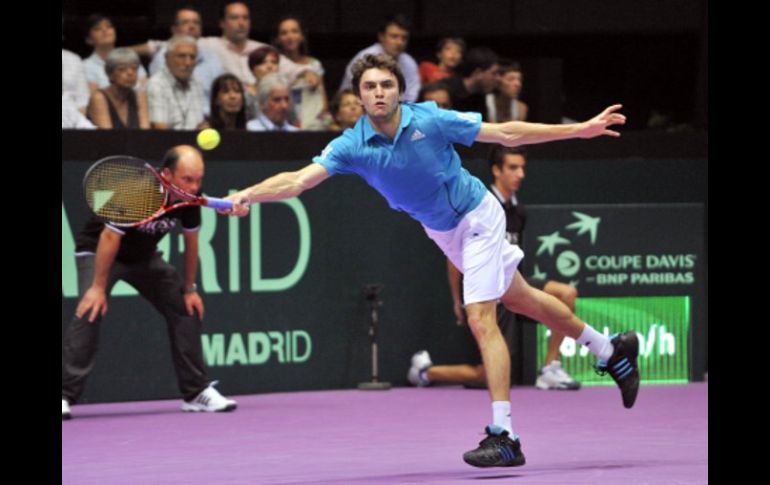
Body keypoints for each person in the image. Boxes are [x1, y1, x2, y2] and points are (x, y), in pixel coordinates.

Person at [219, 54, 638, 468]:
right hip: (443, 232)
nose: (378, 92)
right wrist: (248, 194)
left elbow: (507, 133)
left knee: (481, 318)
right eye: (369, 87)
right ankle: (610, 349)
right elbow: (296, 181)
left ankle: (505, 435)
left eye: (386, 85)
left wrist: (579, 130)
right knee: (521, 298)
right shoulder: (351, 145)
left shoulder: (430, 120)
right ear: (358, 97)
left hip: (477, 215)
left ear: (400, 90)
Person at [62, 145, 237, 420]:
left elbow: (192, 242)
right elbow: (109, 237)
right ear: (166, 174)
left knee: (185, 307)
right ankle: (63, 394)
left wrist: (190, 289)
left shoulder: (190, 199)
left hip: (143, 257)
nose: (194, 187)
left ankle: (196, 392)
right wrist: (97, 287)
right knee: (90, 310)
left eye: (198, 180)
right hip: (100, 251)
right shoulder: (139, 190)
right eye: (187, 179)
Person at [407, 146, 581, 391]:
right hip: (488, 291)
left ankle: (550, 367)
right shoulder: (479, 203)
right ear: (496, 170)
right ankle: (426, 372)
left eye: (522, 168)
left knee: (566, 294)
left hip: (514, 282)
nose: (520, 174)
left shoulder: (519, 211)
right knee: (490, 376)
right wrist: (459, 300)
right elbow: (454, 258)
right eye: (512, 167)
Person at [87, 48, 150, 129]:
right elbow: (107, 136)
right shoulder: (99, 98)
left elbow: (145, 134)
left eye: (134, 68)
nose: (130, 73)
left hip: (137, 141)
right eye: (122, 69)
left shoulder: (139, 96)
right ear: (110, 73)